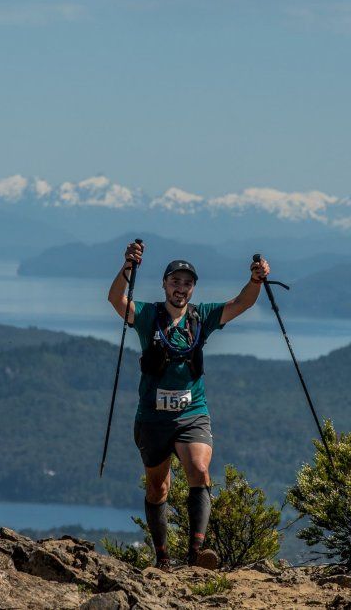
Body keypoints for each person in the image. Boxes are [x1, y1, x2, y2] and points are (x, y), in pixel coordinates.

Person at [107, 241, 270, 571]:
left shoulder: (203, 316)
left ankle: (197, 554)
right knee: (158, 487)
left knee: (199, 470)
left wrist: (256, 280)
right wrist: (127, 268)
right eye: (175, 281)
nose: (180, 288)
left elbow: (242, 303)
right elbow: (116, 300)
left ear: (193, 288)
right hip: (152, 416)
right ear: (165, 284)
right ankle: (163, 556)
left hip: (192, 412)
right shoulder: (149, 315)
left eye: (187, 283)